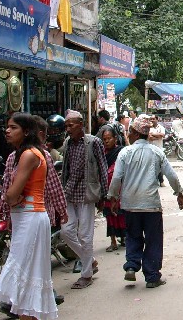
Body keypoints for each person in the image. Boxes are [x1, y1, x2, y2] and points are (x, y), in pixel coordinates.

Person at [0, 116, 67, 317]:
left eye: (13, 127)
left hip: (30, 217)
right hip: (27, 217)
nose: (8, 131)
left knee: (25, 274)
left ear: (26, 131)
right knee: (28, 274)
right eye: (7, 127)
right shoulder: (22, 154)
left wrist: (12, 197)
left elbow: (11, 194)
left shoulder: (29, 155)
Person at [108, 115, 183, 288]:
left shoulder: (125, 152)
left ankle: (131, 265)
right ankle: (152, 276)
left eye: (130, 131)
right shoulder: (157, 152)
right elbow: (171, 175)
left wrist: (113, 197)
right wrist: (179, 192)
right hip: (151, 205)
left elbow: (117, 178)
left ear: (135, 133)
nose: (128, 134)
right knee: (153, 240)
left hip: (130, 204)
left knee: (132, 236)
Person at [60, 110, 108, 289]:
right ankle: (90, 260)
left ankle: (86, 274)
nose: (68, 129)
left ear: (80, 124)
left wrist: (104, 195)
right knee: (66, 231)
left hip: (87, 193)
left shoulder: (93, 142)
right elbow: (66, 169)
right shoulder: (67, 143)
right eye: (66, 126)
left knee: (85, 236)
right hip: (70, 192)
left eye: (71, 125)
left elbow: (102, 168)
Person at [100, 128, 126, 251]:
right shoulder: (101, 154)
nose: (106, 141)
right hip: (106, 188)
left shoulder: (121, 152)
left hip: (120, 188)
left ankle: (124, 238)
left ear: (115, 139)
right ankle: (113, 241)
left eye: (109, 138)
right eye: (104, 139)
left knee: (121, 214)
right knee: (109, 216)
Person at [148, 116, 166, 186]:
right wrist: (157, 136)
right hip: (150, 150)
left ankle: (161, 181)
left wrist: (152, 134)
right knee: (151, 167)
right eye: (151, 119)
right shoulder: (149, 128)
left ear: (157, 120)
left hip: (159, 149)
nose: (152, 120)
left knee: (160, 166)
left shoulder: (161, 127)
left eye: (153, 119)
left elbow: (162, 135)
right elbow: (149, 137)